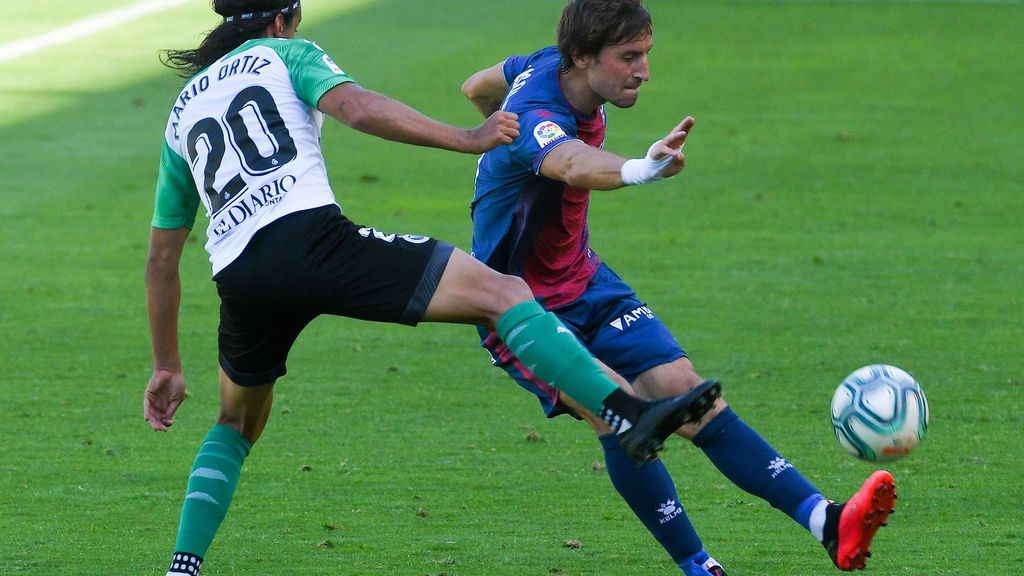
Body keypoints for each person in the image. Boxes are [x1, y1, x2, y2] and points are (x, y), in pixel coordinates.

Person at [143, 1, 725, 575]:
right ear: (280, 21)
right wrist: (467, 138)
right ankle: (625, 411)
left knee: (235, 423)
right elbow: (362, 109)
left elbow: (162, 258)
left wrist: (166, 363)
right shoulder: (288, 53)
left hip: (239, 275)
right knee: (504, 294)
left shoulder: (180, 111)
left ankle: (182, 567)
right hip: (314, 243)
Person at [461, 1, 897, 574]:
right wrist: (638, 167)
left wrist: (489, 130)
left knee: (688, 391)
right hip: (518, 308)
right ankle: (698, 565)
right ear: (582, 56)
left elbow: (476, 86)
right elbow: (570, 163)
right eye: (629, 57)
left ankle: (827, 521)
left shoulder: (542, 65)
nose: (643, 71)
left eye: (645, 54)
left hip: (587, 279)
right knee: (614, 407)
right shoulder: (536, 113)